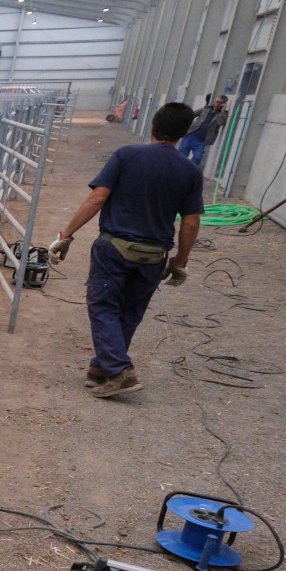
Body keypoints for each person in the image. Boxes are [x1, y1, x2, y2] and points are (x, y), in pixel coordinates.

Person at [49, 102, 204, 399]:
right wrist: (181, 261)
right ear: (183, 134)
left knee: (103, 307)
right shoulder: (190, 171)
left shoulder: (127, 155)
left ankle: (120, 370)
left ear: (153, 126)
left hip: (115, 248)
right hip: (154, 255)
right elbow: (191, 221)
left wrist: (66, 235)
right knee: (130, 312)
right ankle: (101, 368)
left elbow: (98, 198)